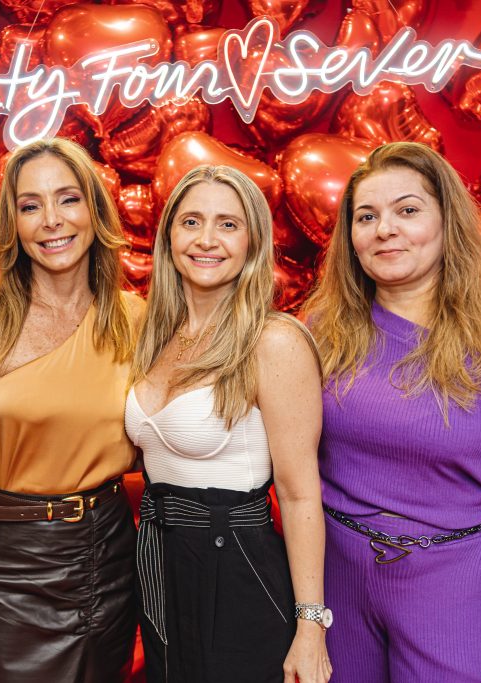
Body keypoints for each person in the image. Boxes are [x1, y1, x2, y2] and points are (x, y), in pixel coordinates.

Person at [302, 141, 481, 682]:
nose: (385, 229)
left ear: (447, 220)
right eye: (366, 216)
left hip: (452, 588)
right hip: (335, 583)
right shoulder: (320, 327)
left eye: (407, 210)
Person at [0, 137, 144, 682]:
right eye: (30, 206)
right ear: (14, 225)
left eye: (67, 199)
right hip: (7, 563)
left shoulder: (133, 316)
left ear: (94, 210)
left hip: (108, 552)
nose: (51, 220)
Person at [126, 165, 331, 683]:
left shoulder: (273, 341)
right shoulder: (155, 337)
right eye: (191, 222)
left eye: (228, 224)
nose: (207, 240)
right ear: (169, 235)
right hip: (162, 558)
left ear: (252, 242)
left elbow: (300, 493)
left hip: (237, 562)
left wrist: (311, 628)